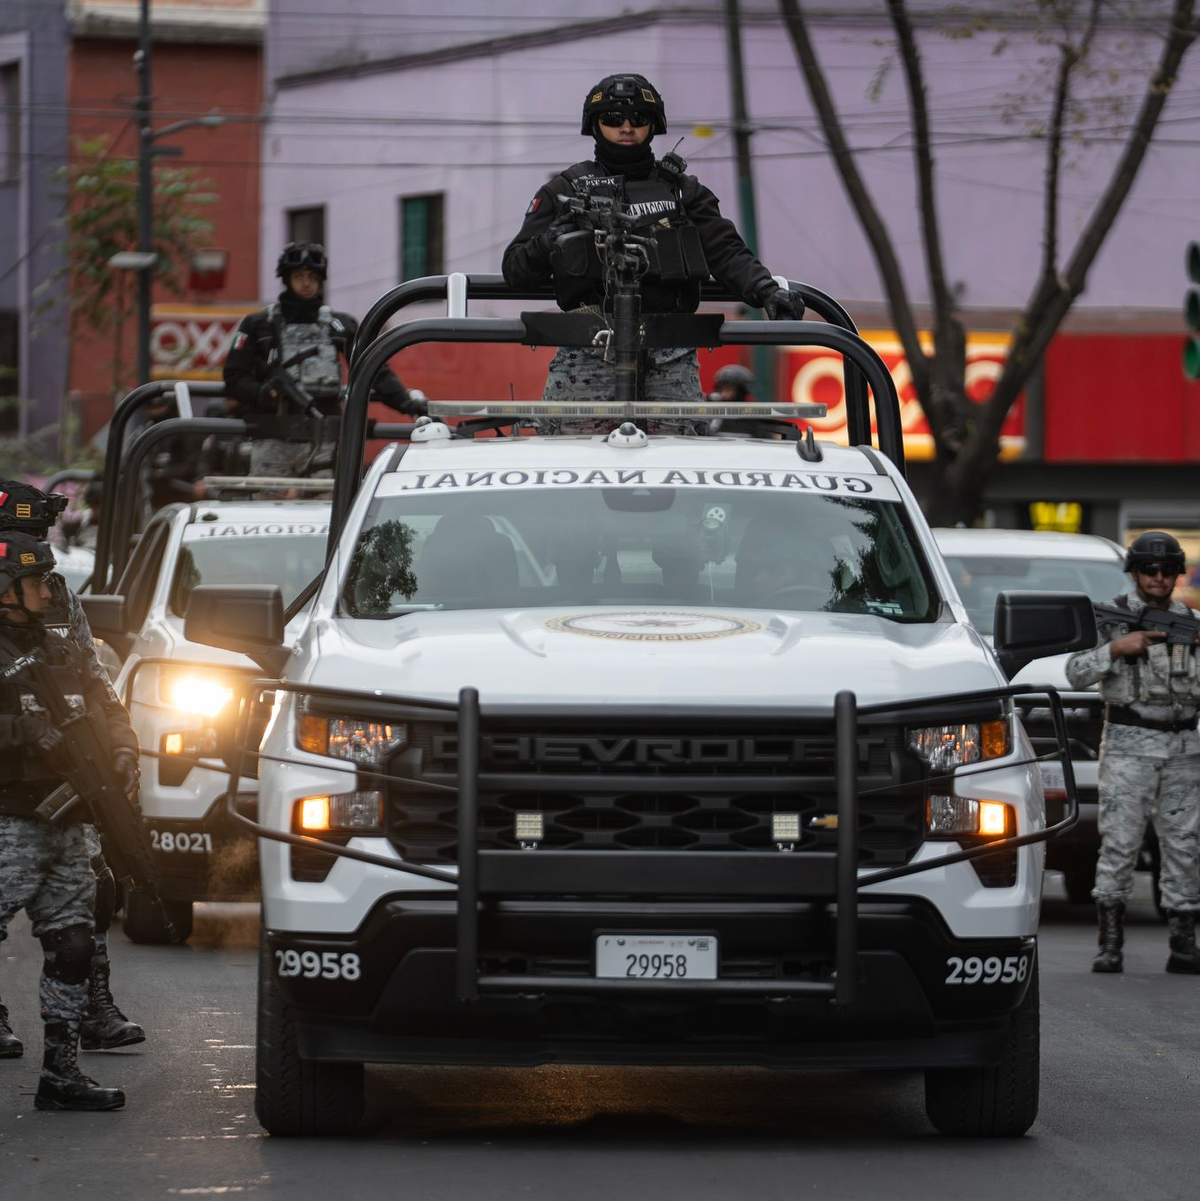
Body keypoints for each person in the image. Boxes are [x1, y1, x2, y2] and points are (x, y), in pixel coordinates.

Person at [502, 73, 805, 403]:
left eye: (639, 118)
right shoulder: (564, 191)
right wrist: (550, 239)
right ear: (595, 124)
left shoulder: (683, 192)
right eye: (614, 118)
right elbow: (516, 270)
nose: (627, 127)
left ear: (653, 124)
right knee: (573, 453)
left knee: (677, 454)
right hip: (585, 351)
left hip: (670, 355)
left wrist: (766, 289)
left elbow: (726, 250)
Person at [0, 480, 144, 1061]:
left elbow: (91, 673)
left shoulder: (52, 593)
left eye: (38, 536)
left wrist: (119, 743)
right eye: (21, 536)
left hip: (59, 773)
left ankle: (92, 1008)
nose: (31, 549)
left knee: (91, 890)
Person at [1065, 531, 1200, 974]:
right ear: (1136, 572)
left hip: (1184, 747)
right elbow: (1075, 672)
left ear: (1178, 573)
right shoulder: (1113, 618)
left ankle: (1183, 942)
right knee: (1120, 844)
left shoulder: (1192, 624)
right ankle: (1111, 942)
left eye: (1166, 570)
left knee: (1185, 846)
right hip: (1128, 747)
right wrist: (1115, 650)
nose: (1158, 577)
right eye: (1149, 569)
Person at [222, 241, 424, 479]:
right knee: (268, 505)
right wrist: (262, 392)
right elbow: (234, 376)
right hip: (273, 432)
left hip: (326, 434)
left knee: (327, 506)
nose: (306, 283)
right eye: (299, 276)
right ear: (287, 279)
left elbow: (375, 370)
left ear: (320, 279)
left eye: (312, 276)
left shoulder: (339, 325)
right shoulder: (258, 325)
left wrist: (408, 405)